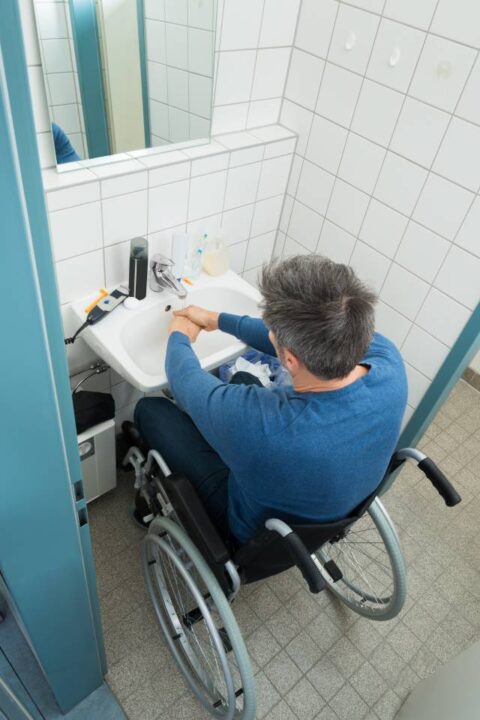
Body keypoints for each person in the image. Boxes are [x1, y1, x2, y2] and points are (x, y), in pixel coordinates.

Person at [134, 255, 407, 544]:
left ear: (289, 358)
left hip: (248, 530)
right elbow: (297, 341)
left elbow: (183, 378)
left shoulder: (261, 422)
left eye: (273, 333)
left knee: (151, 409)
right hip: (324, 510)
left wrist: (179, 336)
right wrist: (218, 320)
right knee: (242, 381)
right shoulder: (390, 366)